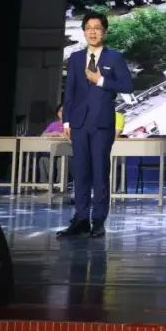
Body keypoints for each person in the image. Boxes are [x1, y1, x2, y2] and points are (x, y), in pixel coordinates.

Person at [57, 13, 134, 239]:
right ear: (84, 31)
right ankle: (81, 219)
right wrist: (67, 120)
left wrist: (100, 81)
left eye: (97, 28)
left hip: (101, 123)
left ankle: (98, 220)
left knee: (100, 172)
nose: (93, 32)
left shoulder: (114, 57)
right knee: (80, 172)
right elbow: (69, 91)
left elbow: (128, 86)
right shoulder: (76, 58)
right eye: (88, 28)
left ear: (104, 31)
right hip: (79, 124)